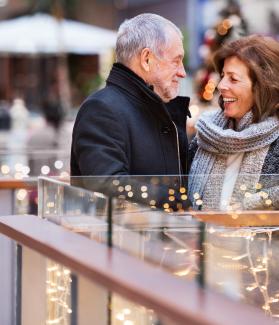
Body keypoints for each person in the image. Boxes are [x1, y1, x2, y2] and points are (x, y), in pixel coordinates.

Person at [188, 35, 279, 211]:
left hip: (264, 240)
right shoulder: (207, 135)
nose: (220, 85)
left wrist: (261, 200)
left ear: (262, 87)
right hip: (203, 239)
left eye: (233, 79)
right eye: (222, 76)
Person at [70, 14, 191, 207]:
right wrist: (170, 201)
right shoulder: (101, 108)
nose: (182, 72)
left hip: (162, 234)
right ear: (146, 59)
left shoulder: (158, 106)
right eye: (176, 61)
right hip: (119, 236)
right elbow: (106, 183)